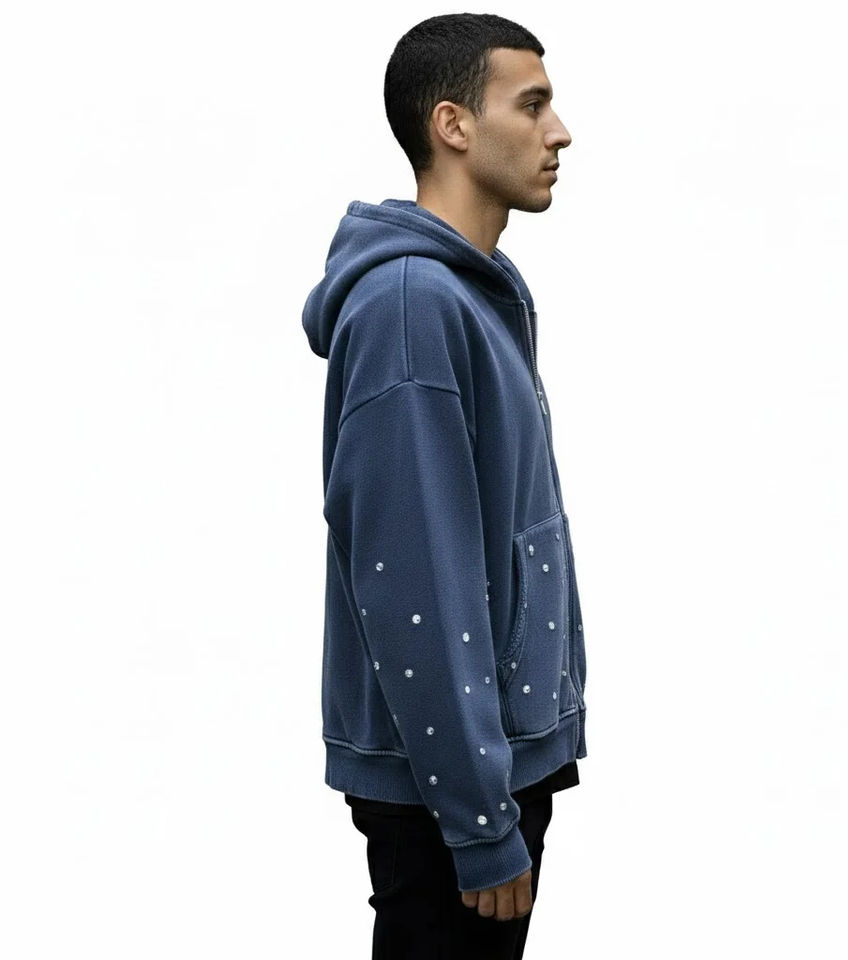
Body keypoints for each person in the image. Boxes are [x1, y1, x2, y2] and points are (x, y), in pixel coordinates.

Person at [301, 12, 588, 957]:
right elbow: (413, 582)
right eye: (532, 105)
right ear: (453, 124)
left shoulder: (469, 290)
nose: (560, 132)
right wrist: (477, 818)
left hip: (489, 761)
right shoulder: (412, 308)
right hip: (453, 785)